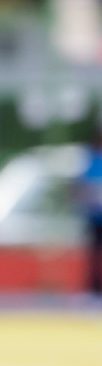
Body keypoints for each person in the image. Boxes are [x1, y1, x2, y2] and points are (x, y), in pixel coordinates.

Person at [81, 126, 102, 297]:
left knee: (94, 252)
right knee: (93, 253)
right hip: (95, 217)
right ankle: (93, 285)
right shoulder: (91, 161)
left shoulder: (90, 161)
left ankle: (93, 286)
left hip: (93, 215)